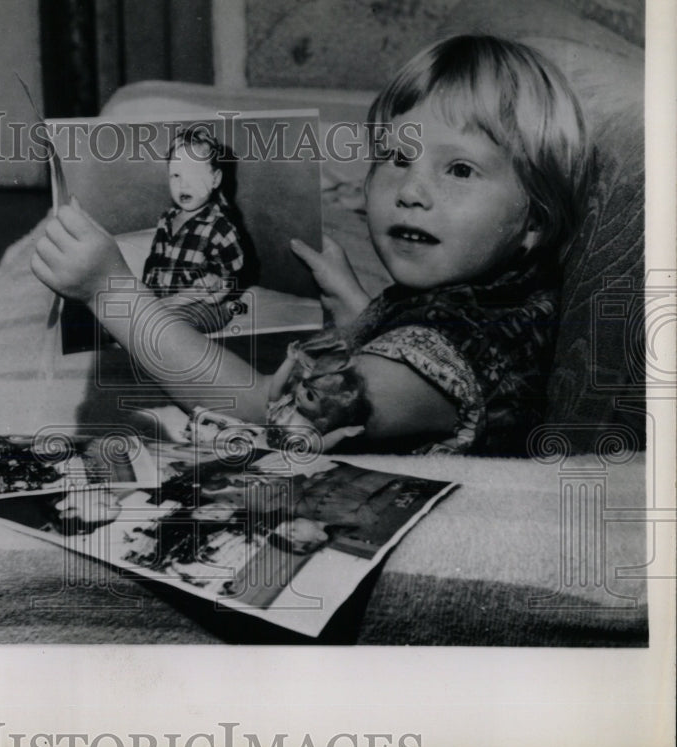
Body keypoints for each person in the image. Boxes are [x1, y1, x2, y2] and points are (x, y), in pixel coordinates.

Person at [31, 35, 589, 456]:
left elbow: (260, 410)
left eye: (460, 170)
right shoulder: (493, 293)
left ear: (534, 221)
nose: (412, 190)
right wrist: (360, 312)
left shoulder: (464, 351)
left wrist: (113, 294)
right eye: (397, 157)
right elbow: (407, 343)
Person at [140, 125, 248, 332]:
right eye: (176, 175)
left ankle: (230, 307)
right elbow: (154, 262)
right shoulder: (166, 219)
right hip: (166, 300)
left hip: (203, 303)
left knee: (173, 326)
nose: (184, 184)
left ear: (215, 179)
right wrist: (145, 292)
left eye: (194, 174)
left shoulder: (219, 226)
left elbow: (234, 270)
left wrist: (222, 287)